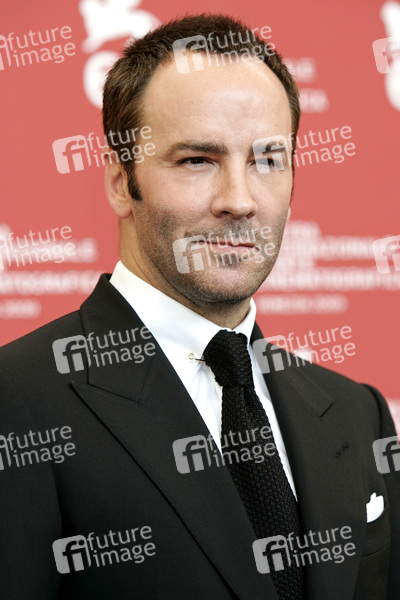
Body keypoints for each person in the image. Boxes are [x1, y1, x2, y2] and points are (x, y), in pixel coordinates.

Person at [0, 14, 399, 600]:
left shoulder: (358, 414)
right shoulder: (17, 401)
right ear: (120, 181)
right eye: (197, 160)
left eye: (267, 160)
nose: (239, 200)